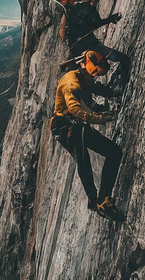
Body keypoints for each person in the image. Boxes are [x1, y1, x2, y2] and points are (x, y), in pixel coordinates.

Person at [50, 50, 126, 221]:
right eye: (94, 76)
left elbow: (86, 100)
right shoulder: (72, 84)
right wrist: (99, 118)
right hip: (66, 127)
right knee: (83, 158)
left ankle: (99, 199)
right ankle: (98, 200)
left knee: (113, 152)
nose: (94, 80)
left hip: (73, 125)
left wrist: (98, 109)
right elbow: (75, 109)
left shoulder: (81, 78)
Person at [61, 0, 130, 90]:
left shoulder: (73, 7)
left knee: (80, 82)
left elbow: (65, 33)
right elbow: (96, 23)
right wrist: (110, 19)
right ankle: (119, 89)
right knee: (122, 59)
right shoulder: (88, 9)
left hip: (74, 49)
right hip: (89, 46)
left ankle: (102, 96)